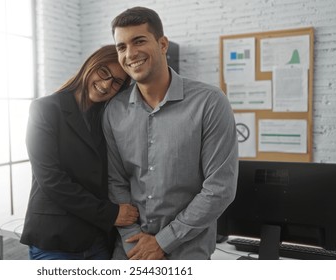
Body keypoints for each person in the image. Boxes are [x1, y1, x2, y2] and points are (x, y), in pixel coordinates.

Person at [102, 7, 239, 260]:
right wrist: (135, 243)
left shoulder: (209, 103)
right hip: (131, 252)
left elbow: (219, 188)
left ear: (162, 44)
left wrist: (163, 242)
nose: (130, 54)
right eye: (122, 47)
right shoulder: (114, 111)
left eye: (139, 41)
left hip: (187, 253)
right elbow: (117, 183)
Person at [20, 44, 138, 260]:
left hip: (97, 238)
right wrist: (111, 213)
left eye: (116, 82)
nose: (105, 84)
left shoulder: (106, 118)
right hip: (56, 237)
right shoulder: (45, 109)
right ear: (89, 66)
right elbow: (51, 180)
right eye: (103, 72)